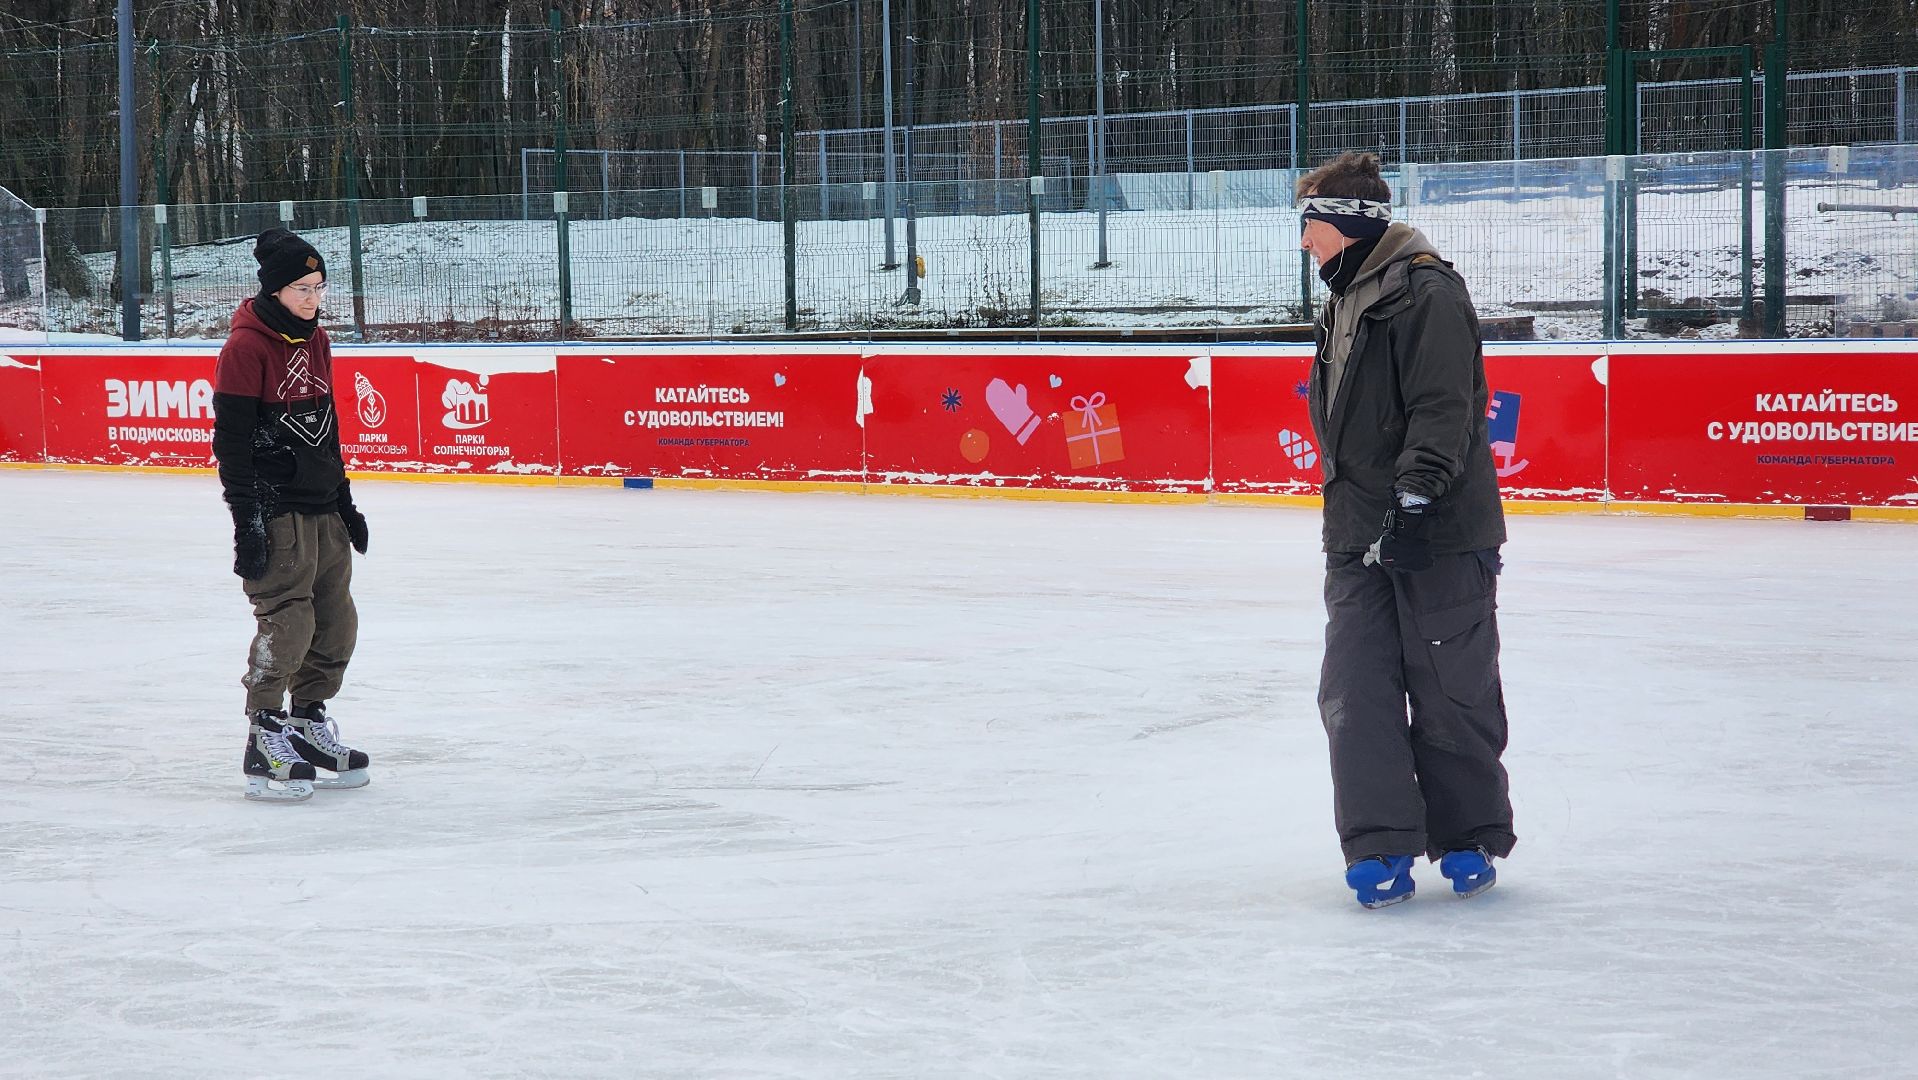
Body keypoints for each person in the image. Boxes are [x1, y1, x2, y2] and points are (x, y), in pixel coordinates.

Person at [1297, 152, 1514, 908]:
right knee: (1355, 689)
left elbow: (1443, 406)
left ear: (1349, 226)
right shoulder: (1345, 300)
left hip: (1438, 529)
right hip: (1357, 531)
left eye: (1312, 225)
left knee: (1451, 688)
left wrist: (1416, 499)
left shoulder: (1424, 293)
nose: (1305, 243)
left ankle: (1470, 835)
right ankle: (1380, 844)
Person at [213, 227, 372, 802]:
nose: (313, 297)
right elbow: (230, 442)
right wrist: (246, 520)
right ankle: (265, 732)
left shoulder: (319, 340)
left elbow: (328, 429)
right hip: (276, 508)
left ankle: (307, 719)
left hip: (323, 504)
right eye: (302, 288)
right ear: (275, 290)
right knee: (289, 618)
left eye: (320, 286)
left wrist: (345, 499)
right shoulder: (245, 348)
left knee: (336, 620)